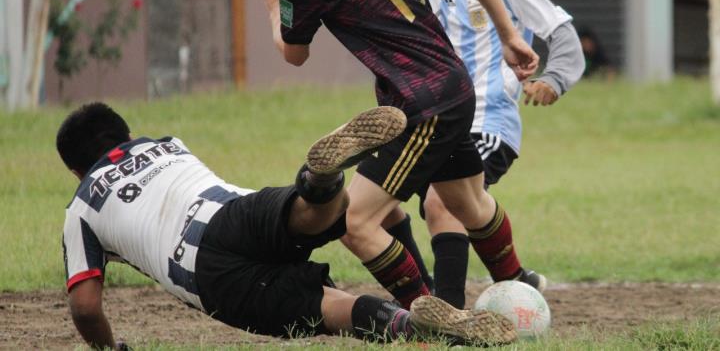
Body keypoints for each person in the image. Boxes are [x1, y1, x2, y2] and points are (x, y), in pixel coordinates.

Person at [237, 0, 539, 311]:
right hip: (455, 87)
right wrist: (510, 36)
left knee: (354, 222)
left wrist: (274, 9)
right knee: (471, 204)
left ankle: (432, 323)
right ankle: (518, 284)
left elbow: (294, 55)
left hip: (418, 107)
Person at [58, 102, 518, 349]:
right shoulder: (167, 145)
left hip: (206, 274)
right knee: (312, 214)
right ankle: (321, 182)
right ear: (125, 135)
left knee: (329, 307)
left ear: (77, 170)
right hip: (234, 210)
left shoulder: (82, 206)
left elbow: (84, 306)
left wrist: (106, 349)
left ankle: (414, 328)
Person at [376, 0, 586, 309]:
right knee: (369, 207)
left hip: (486, 121)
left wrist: (554, 78)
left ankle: (445, 313)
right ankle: (501, 280)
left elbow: (561, 32)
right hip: (424, 122)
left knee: (442, 202)